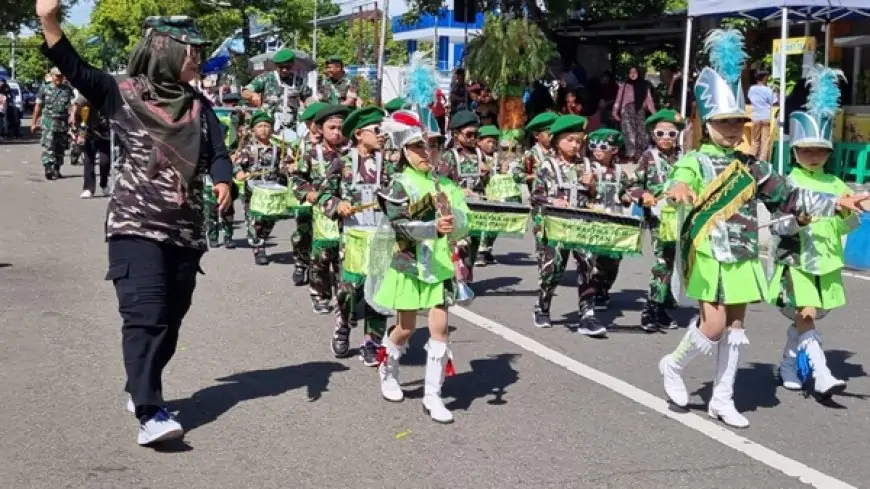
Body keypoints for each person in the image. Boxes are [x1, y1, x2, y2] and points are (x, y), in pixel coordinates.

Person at [38, 3, 233, 445]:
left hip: (184, 229)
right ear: (165, 51)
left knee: (170, 318)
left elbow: (218, 154)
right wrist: (50, 21)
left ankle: (141, 383)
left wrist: (224, 182)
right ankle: (151, 412)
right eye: (191, 51)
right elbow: (72, 65)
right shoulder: (121, 93)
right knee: (144, 315)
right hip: (134, 224)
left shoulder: (201, 108)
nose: (197, 58)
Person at [658, 29, 868, 429]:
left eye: (739, 122)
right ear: (709, 122)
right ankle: (673, 364)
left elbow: (787, 196)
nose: (734, 129)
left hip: (742, 251)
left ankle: (722, 397)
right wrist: (678, 188)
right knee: (715, 324)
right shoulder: (698, 160)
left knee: (736, 327)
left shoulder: (752, 165)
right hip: (709, 252)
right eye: (725, 122)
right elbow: (677, 180)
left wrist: (838, 202)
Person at [369, 109, 471, 423]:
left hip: (439, 268)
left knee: (439, 329)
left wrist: (457, 227)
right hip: (410, 265)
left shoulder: (447, 185)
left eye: (432, 146)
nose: (427, 153)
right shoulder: (399, 184)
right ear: (403, 151)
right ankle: (388, 367)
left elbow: (465, 223)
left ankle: (433, 395)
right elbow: (399, 225)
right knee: (407, 327)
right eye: (417, 147)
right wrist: (431, 228)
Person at [769, 66, 854, 398]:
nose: (814, 156)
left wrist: (850, 210)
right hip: (796, 261)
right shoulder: (787, 181)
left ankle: (788, 365)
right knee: (805, 313)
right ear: (795, 152)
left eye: (820, 150)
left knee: (811, 316)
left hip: (827, 262)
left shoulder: (836, 183)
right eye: (807, 150)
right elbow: (779, 225)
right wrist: (799, 221)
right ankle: (821, 373)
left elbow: (845, 224)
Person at [321, 106, 389, 363]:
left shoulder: (390, 164)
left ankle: (372, 340)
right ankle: (343, 325)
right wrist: (337, 205)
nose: (382, 135)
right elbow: (325, 192)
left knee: (379, 290)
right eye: (377, 130)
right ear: (359, 134)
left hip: (382, 236)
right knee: (349, 288)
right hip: (353, 236)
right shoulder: (342, 161)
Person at [529, 114, 603, 335]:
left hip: (581, 225)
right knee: (553, 269)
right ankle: (542, 306)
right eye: (570, 139)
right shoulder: (548, 166)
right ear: (557, 141)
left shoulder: (588, 165)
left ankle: (588, 314)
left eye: (579, 140)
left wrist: (592, 187)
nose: (575, 145)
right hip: (554, 226)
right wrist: (554, 201)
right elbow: (536, 196)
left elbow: (598, 198)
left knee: (589, 266)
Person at [289, 104, 349, 313]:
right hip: (322, 213)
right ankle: (320, 295)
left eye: (340, 128)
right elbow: (297, 178)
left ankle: (346, 296)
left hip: (348, 213)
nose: (337, 132)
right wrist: (307, 192)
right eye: (331, 127)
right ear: (320, 129)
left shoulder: (352, 154)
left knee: (346, 258)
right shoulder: (312, 154)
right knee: (322, 258)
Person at [629, 109, 684, 331]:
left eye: (671, 134)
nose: (666, 138)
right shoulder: (648, 158)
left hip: (682, 217)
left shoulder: (685, 158)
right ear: (653, 134)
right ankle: (650, 309)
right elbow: (631, 186)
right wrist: (643, 196)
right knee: (663, 262)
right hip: (659, 218)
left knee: (674, 263)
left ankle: (662, 305)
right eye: (661, 133)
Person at [585, 128, 632, 317]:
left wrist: (627, 197)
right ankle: (593, 291)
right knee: (592, 258)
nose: (597, 150)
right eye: (593, 146)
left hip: (614, 219)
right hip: (593, 220)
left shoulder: (621, 172)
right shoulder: (587, 169)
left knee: (613, 259)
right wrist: (590, 186)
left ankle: (604, 288)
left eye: (603, 147)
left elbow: (625, 192)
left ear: (614, 150)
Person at [32, 67, 74, 180]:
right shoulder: (44, 89)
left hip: (62, 122)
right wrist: (34, 123)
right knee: (48, 145)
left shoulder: (67, 90)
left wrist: (73, 117)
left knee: (60, 147)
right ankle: (48, 167)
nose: (59, 78)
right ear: (52, 76)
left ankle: (57, 168)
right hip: (48, 121)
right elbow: (38, 106)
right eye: (57, 76)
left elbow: (72, 106)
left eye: (61, 76)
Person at [71, 94, 112, 198]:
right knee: (88, 160)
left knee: (105, 161)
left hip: (106, 132)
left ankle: (104, 184)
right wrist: (80, 134)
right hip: (90, 130)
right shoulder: (86, 95)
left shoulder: (109, 94)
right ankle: (88, 188)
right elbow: (78, 110)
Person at [611, 66, 656, 161]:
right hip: (627, 111)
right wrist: (615, 112)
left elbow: (649, 100)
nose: (633, 74)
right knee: (629, 133)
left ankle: (640, 155)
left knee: (641, 133)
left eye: (635, 72)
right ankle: (631, 155)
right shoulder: (624, 86)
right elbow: (618, 100)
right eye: (630, 72)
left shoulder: (644, 85)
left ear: (638, 73)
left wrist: (655, 115)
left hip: (640, 111)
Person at [513, 111, 557, 193]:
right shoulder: (531, 154)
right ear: (536, 135)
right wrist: (534, 177)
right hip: (538, 196)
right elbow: (516, 175)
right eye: (548, 132)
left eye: (555, 132)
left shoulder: (558, 153)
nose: (552, 135)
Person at [747, 69, 776, 161]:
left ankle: (751, 159)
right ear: (764, 78)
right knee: (765, 142)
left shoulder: (752, 89)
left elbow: (750, 99)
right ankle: (762, 162)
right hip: (766, 116)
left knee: (755, 141)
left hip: (755, 117)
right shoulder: (768, 90)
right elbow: (774, 102)